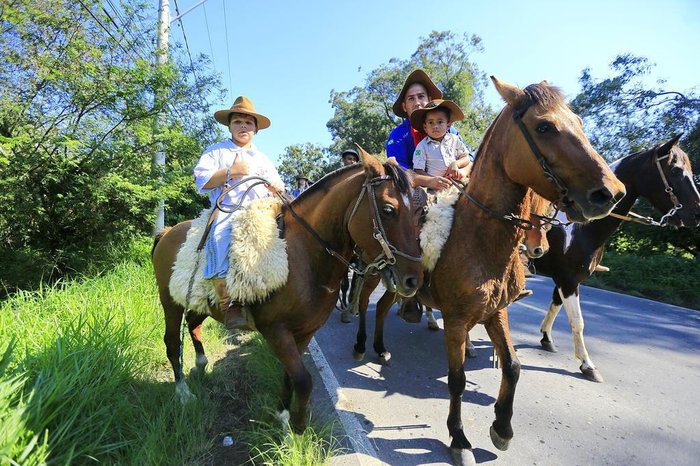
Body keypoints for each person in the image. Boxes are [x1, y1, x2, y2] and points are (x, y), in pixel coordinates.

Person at [193, 95, 284, 330]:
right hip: (229, 208)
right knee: (221, 236)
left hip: (261, 210)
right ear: (230, 125)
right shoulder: (216, 152)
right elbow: (201, 182)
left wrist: (277, 188)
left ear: (255, 129)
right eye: (238, 122)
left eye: (248, 123)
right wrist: (230, 171)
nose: (243, 126)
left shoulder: (263, 158)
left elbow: (278, 185)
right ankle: (229, 303)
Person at [385, 69, 463, 191]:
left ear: (429, 99)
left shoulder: (450, 131)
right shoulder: (397, 136)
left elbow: (469, 159)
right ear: (404, 106)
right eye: (411, 99)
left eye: (421, 96)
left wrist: (459, 170)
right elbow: (400, 171)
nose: (417, 103)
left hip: (457, 185)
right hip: (419, 193)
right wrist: (430, 181)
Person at [409, 99, 473, 190]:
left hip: (458, 184)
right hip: (435, 189)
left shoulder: (454, 139)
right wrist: (432, 181)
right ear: (425, 127)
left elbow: (466, 158)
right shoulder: (422, 146)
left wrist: (456, 164)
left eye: (440, 122)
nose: (435, 126)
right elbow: (418, 170)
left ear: (448, 125)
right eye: (431, 122)